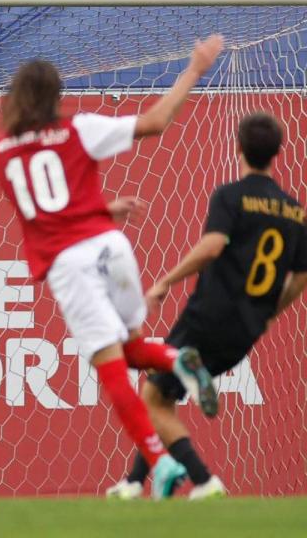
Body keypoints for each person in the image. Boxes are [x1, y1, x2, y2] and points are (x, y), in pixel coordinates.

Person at [0, 35, 224, 499]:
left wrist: (93, 211)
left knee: (110, 368)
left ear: (14, 98)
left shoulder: (0, 151)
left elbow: (41, 209)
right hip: (112, 249)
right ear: (58, 95)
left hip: (69, 262)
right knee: (133, 351)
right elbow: (156, 122)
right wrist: (194, 69)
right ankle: (180, 360)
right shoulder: (81, 128)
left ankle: (159, 462)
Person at [106, 112, 307, 500]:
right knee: (163, 394)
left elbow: (213, 246)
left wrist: (165, 281)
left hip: (210, 315)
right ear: (278, 153)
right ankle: (133, 483)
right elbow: (300, 278)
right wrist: (268, 314)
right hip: (246, 329)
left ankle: (204, 481)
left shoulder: (231, 196)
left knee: (152, 398)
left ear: (237, 147)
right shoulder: (296, 212)